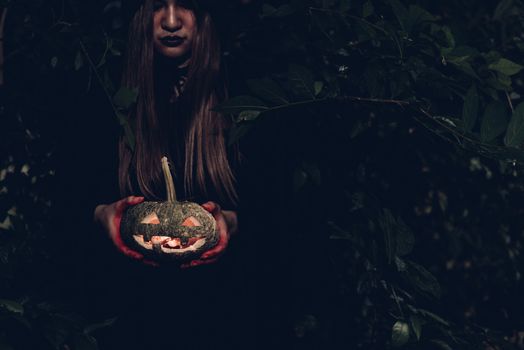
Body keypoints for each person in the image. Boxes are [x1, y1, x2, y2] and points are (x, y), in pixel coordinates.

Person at [93, 0, 240, 268]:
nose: (171, 22)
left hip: (224, 291)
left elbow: (273, 210)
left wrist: (231, 221)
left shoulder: (240, 96)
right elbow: (72, 199)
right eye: (157, 5)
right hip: (128, 290)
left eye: (186, 3)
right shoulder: (106, 95)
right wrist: (102, 214)